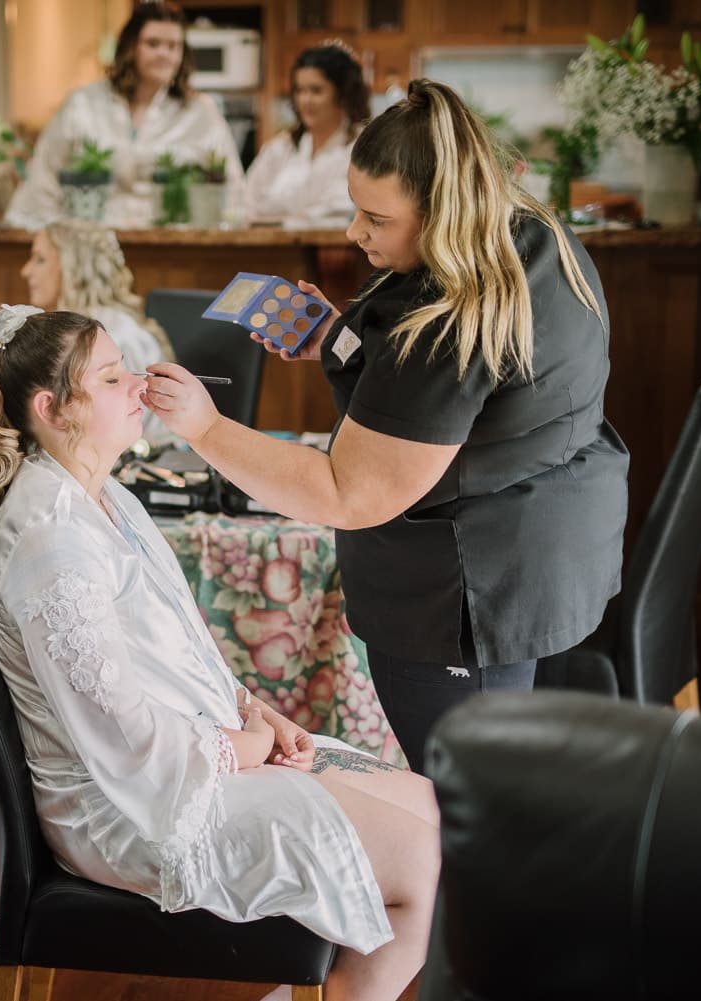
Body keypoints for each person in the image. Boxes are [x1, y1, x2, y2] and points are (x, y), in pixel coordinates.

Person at [0, 304, 438, 1001]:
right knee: (421, 866)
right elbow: (127, 744)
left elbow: (179, 649)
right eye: (113, 377)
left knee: (431, 808)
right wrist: (247, 744)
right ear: (52, 408)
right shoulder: (50, 544)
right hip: (129, 807)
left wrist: (260, 713)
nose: (138, 386)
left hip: (191, 757)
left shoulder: (108, 496)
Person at [145, 79, 629, 775]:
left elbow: (348, 491)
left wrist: (206, 429)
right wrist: (342, 340)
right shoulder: (533, 235)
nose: (354, 233)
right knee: (499, 785)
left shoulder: (446, 322)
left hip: (468, 594)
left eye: (376, 218)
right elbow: (451, 397)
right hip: (545, 546)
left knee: (467, 794)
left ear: (444, 213)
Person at [3, 2, 245, 229]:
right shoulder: (83, 104)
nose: (165, 54)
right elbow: (44, 179)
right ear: (130, 47)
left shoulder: (200, 112)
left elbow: (233, 191)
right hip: (92, 244)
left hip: (174, 249)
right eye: (153, 43)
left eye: (174, 46)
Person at [19, 219, 176, 446]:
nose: (26, 271)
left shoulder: (111, 336)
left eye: (40, 259)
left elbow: (116, 427)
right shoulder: (71, 330)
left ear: (73, 268)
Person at [245, 43, 371, 226]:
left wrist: (285, 221)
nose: (305, 100)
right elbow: (248, 204)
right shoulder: (280, 148)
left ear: (343, 94)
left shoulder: (363, 148)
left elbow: (345, 213)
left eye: (316, 90)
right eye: (299, 91)